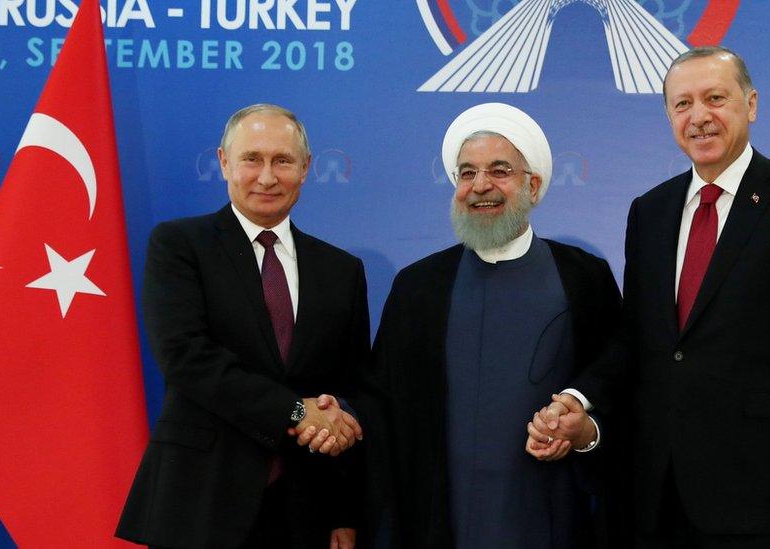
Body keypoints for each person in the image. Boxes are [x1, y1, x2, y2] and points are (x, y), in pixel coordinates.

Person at [528, 46, 770, 548]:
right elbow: (639, 336)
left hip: (763, 491)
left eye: (715, 98)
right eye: (682, 104)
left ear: (750, 104)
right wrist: (578, 397)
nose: (699, 116)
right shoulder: (651, 211)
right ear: (668, 117)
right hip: (655, 492)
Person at [368, 103, 623, 548]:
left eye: (499, 170)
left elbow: (619, 383)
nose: (480, 186)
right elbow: (382, 403)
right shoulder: (417, 287)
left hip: (553, 518)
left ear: (534, 185)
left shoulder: (585, 278)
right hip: (437, 523)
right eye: (466, 173)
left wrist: (583, 429)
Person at [116, 104, 369, 548]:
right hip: (200, 501)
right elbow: (187, 359)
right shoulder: (179, 246)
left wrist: (342, 511)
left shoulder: (341, 270)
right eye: (252, 159)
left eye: (283, 160)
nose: (267, 177)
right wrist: (295, 411)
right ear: (223, 162)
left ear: (306, 168)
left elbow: (350, 385)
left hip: (304, 508)